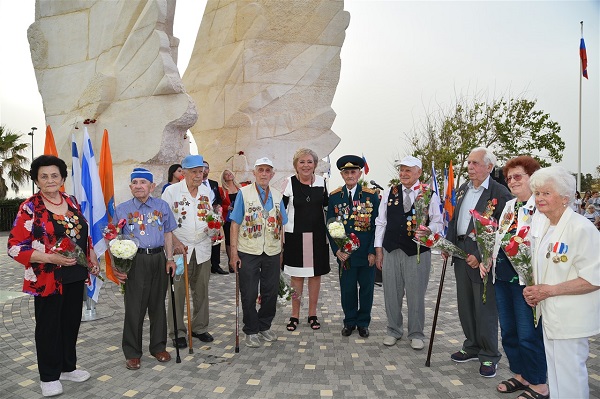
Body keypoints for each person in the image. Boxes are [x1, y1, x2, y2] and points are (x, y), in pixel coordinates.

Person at [7, 155, 100, 397]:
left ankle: (67, 367)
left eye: (54, 175)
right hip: (48, 278)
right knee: (49, 327)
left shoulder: (71, 201)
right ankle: (48, 376)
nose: (50, 180)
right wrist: (51, 258)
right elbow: (15, 247)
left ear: (62, 177)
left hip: (76, 275)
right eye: (44, 176)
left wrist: (91, 255)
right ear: (37, 180)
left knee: (71, 323)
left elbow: (83, 234)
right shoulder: (30, 207)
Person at [525, 166, 600, 399]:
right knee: (556, 374)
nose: (539, 198)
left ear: (565, 198)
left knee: (569, 375)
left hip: (571, 317)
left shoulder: (582, 228)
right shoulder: (546, 227)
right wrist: (534, 289)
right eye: (537, 193)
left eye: (546, 193)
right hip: (551, 315)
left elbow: (594, 278)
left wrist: (550, 291)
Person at [446, 147, 512, 378]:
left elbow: (501, 230)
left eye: (475, 163)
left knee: (484, 307)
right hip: (461, 251)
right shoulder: (464, 188)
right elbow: (455, 220)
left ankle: (489, 354)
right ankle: (472, 345)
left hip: (482, 256)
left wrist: (481, 255)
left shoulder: (500, 193)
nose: (470, 167)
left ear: (489, 167)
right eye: (469, 163)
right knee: (465, 303)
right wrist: (449, 245)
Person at [486, 156, 548, 397]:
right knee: (509, 332)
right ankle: (521, 374)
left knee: (528, 334)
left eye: (518, 176)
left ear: (532, 178)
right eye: (509, 177)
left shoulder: (541, 208)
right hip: (502, 278)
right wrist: (487, 258)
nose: (512, 181)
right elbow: (500, 240)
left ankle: (538, 384)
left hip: (525, 282)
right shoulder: (510, 207)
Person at [111, 167, 177, 371]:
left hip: (158, 259)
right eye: (135, 182)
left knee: (157, 305)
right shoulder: (121, 209)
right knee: (134, 308)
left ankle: (158, 347)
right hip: (135, 262)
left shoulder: (162, 205)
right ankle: (132, 352)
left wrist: (170, 258)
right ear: (130, 186)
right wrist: (116, 265)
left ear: (152, 186)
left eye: (143, 182)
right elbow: (113, 238)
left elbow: (168, 234)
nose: (138, 186)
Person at [375, 155, 443, 350]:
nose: (403, 174)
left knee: (416, 293)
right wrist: (379, 250)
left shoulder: (429, 194)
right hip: (391, 250)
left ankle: (416, 333)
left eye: (408, 170)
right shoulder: (389, 192)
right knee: (391, 293)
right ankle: (393, 330)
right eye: (402, 170)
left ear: (419, 173)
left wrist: (430, 230)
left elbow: (438, 222)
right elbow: (381, 222)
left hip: (417, 252)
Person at [229, 157, 288, 348]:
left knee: (270, 292)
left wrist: (281, 251)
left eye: (267, 170)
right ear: (254, 173)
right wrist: (233, 253)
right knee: (249, 292)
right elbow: (235, 223)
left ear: (272, 174)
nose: (264, 174)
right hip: (248, 250)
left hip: (271, 251)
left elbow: (282, 225)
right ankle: (251, 329)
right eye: (260, 170)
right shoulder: (244, 193)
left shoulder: (278, 195)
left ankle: (264, 326)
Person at [162, 155, 215, 348]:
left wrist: (213, 228)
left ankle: (199, 327)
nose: (198, 175)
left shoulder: (206, 192)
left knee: (201, 290)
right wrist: (175, 242)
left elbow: (210, 216)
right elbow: (164, 223)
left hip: (202, 248)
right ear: (183, 173)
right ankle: (177, 331)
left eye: (200, 171)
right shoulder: (171, 192)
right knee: (178, 292)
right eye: (194, 172)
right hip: (179, 249)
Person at [326, 155, 380, 338]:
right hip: (345, 256)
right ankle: (349, 321)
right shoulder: (334, 197)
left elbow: (376, 226)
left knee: (366, 290)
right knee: (348, 290)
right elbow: (330, 226)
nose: (350, 175)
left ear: (359, 173)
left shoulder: (371, 196)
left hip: (365, 254)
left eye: (353, 171)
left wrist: (373, 251)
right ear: (342, 174)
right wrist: (337, 251)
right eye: (346, 172)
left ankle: (363, 322)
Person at [282, 148, 330, 331]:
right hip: (295, 236)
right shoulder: (289, 183)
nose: (306, 165)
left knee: (314, 275)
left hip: (317, 236)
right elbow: (281, 212)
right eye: (301, 162)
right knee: (297, 277)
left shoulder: (322, 182)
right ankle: (294, 315)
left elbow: (327, 209)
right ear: (296, 165)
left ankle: (312, 314)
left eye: (310, 161)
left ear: (315, 165)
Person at [203, 161, 227, 274]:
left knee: (216, 240)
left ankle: (216, 265)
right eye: (202, 167)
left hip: (214, 216)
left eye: (206, 168)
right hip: (202, 216)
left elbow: (218, 199)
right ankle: (204, 266)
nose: (204, 170)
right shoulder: (195, 184)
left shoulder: (213, 183)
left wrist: (218, 207)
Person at [219, 169, 241, 272]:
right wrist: (226, 207)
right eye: (226, 174)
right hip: (228, 217)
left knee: (239, 238)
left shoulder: (240, 188)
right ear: (223, 178)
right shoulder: (222, 189)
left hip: (239, 216)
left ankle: (239, 260)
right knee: (229, 239)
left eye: (230, 173)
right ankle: (231, 262)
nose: (229, 175)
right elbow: (219, 204)